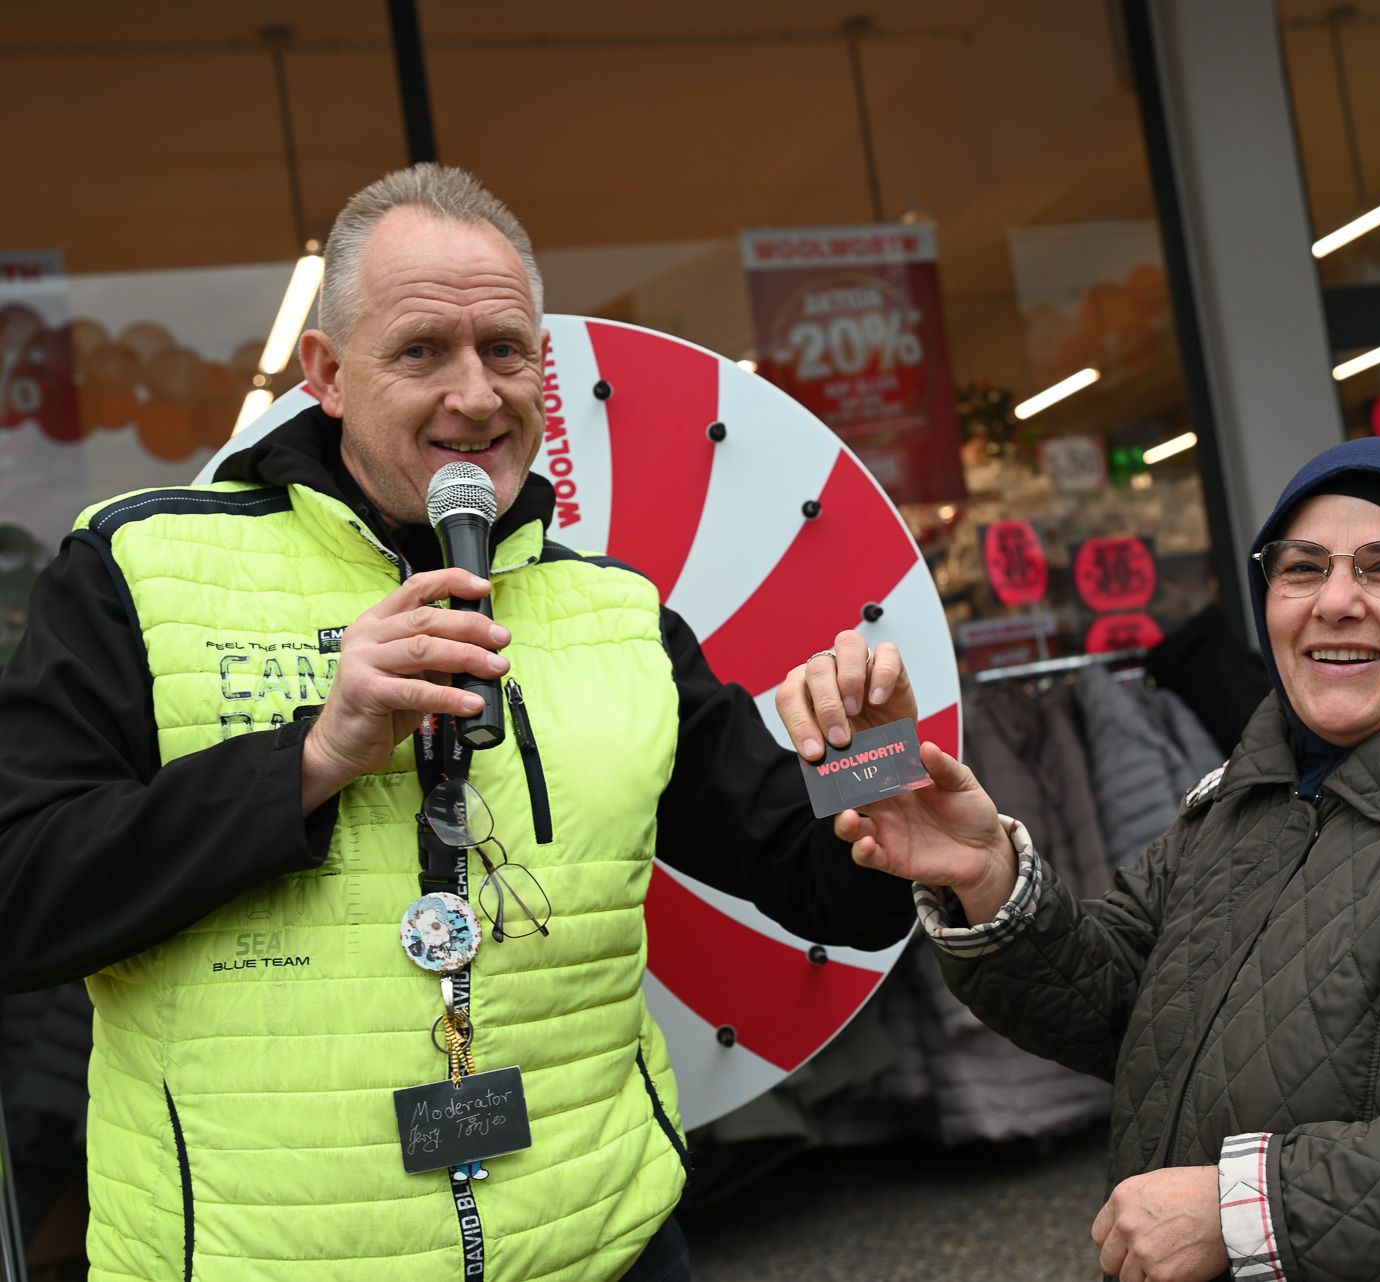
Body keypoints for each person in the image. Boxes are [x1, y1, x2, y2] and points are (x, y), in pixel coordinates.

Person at [0, 163, 917, 1282]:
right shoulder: (136, 567)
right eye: (423, 350)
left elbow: (825, 881)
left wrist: (874, 767)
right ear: (328, 374)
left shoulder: (615, 613)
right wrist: (309, 758)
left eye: (506, 350)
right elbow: (20, 894)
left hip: (608, 1245)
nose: (476, 395)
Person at [806, 437, 1380, 1282]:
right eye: (1300, 567)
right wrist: (985, 875)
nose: (1334, 601)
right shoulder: (1255, 788)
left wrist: (1243, 1214)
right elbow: (1126, 1006)